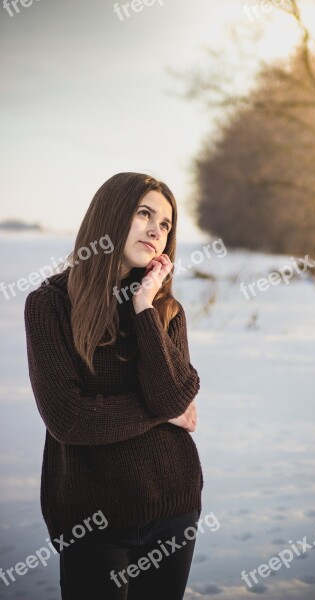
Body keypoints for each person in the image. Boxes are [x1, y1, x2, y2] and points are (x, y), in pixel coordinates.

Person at [24, 172, 204, 599]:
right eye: (145, 213)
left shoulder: (164, 310)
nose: (156, 230)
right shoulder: (51, 304)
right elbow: (69, 419)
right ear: (110, 215)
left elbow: (175, 396)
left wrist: (143, 306)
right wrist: (162, 411)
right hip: (93, 520)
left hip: (174, 506)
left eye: (165, 224)